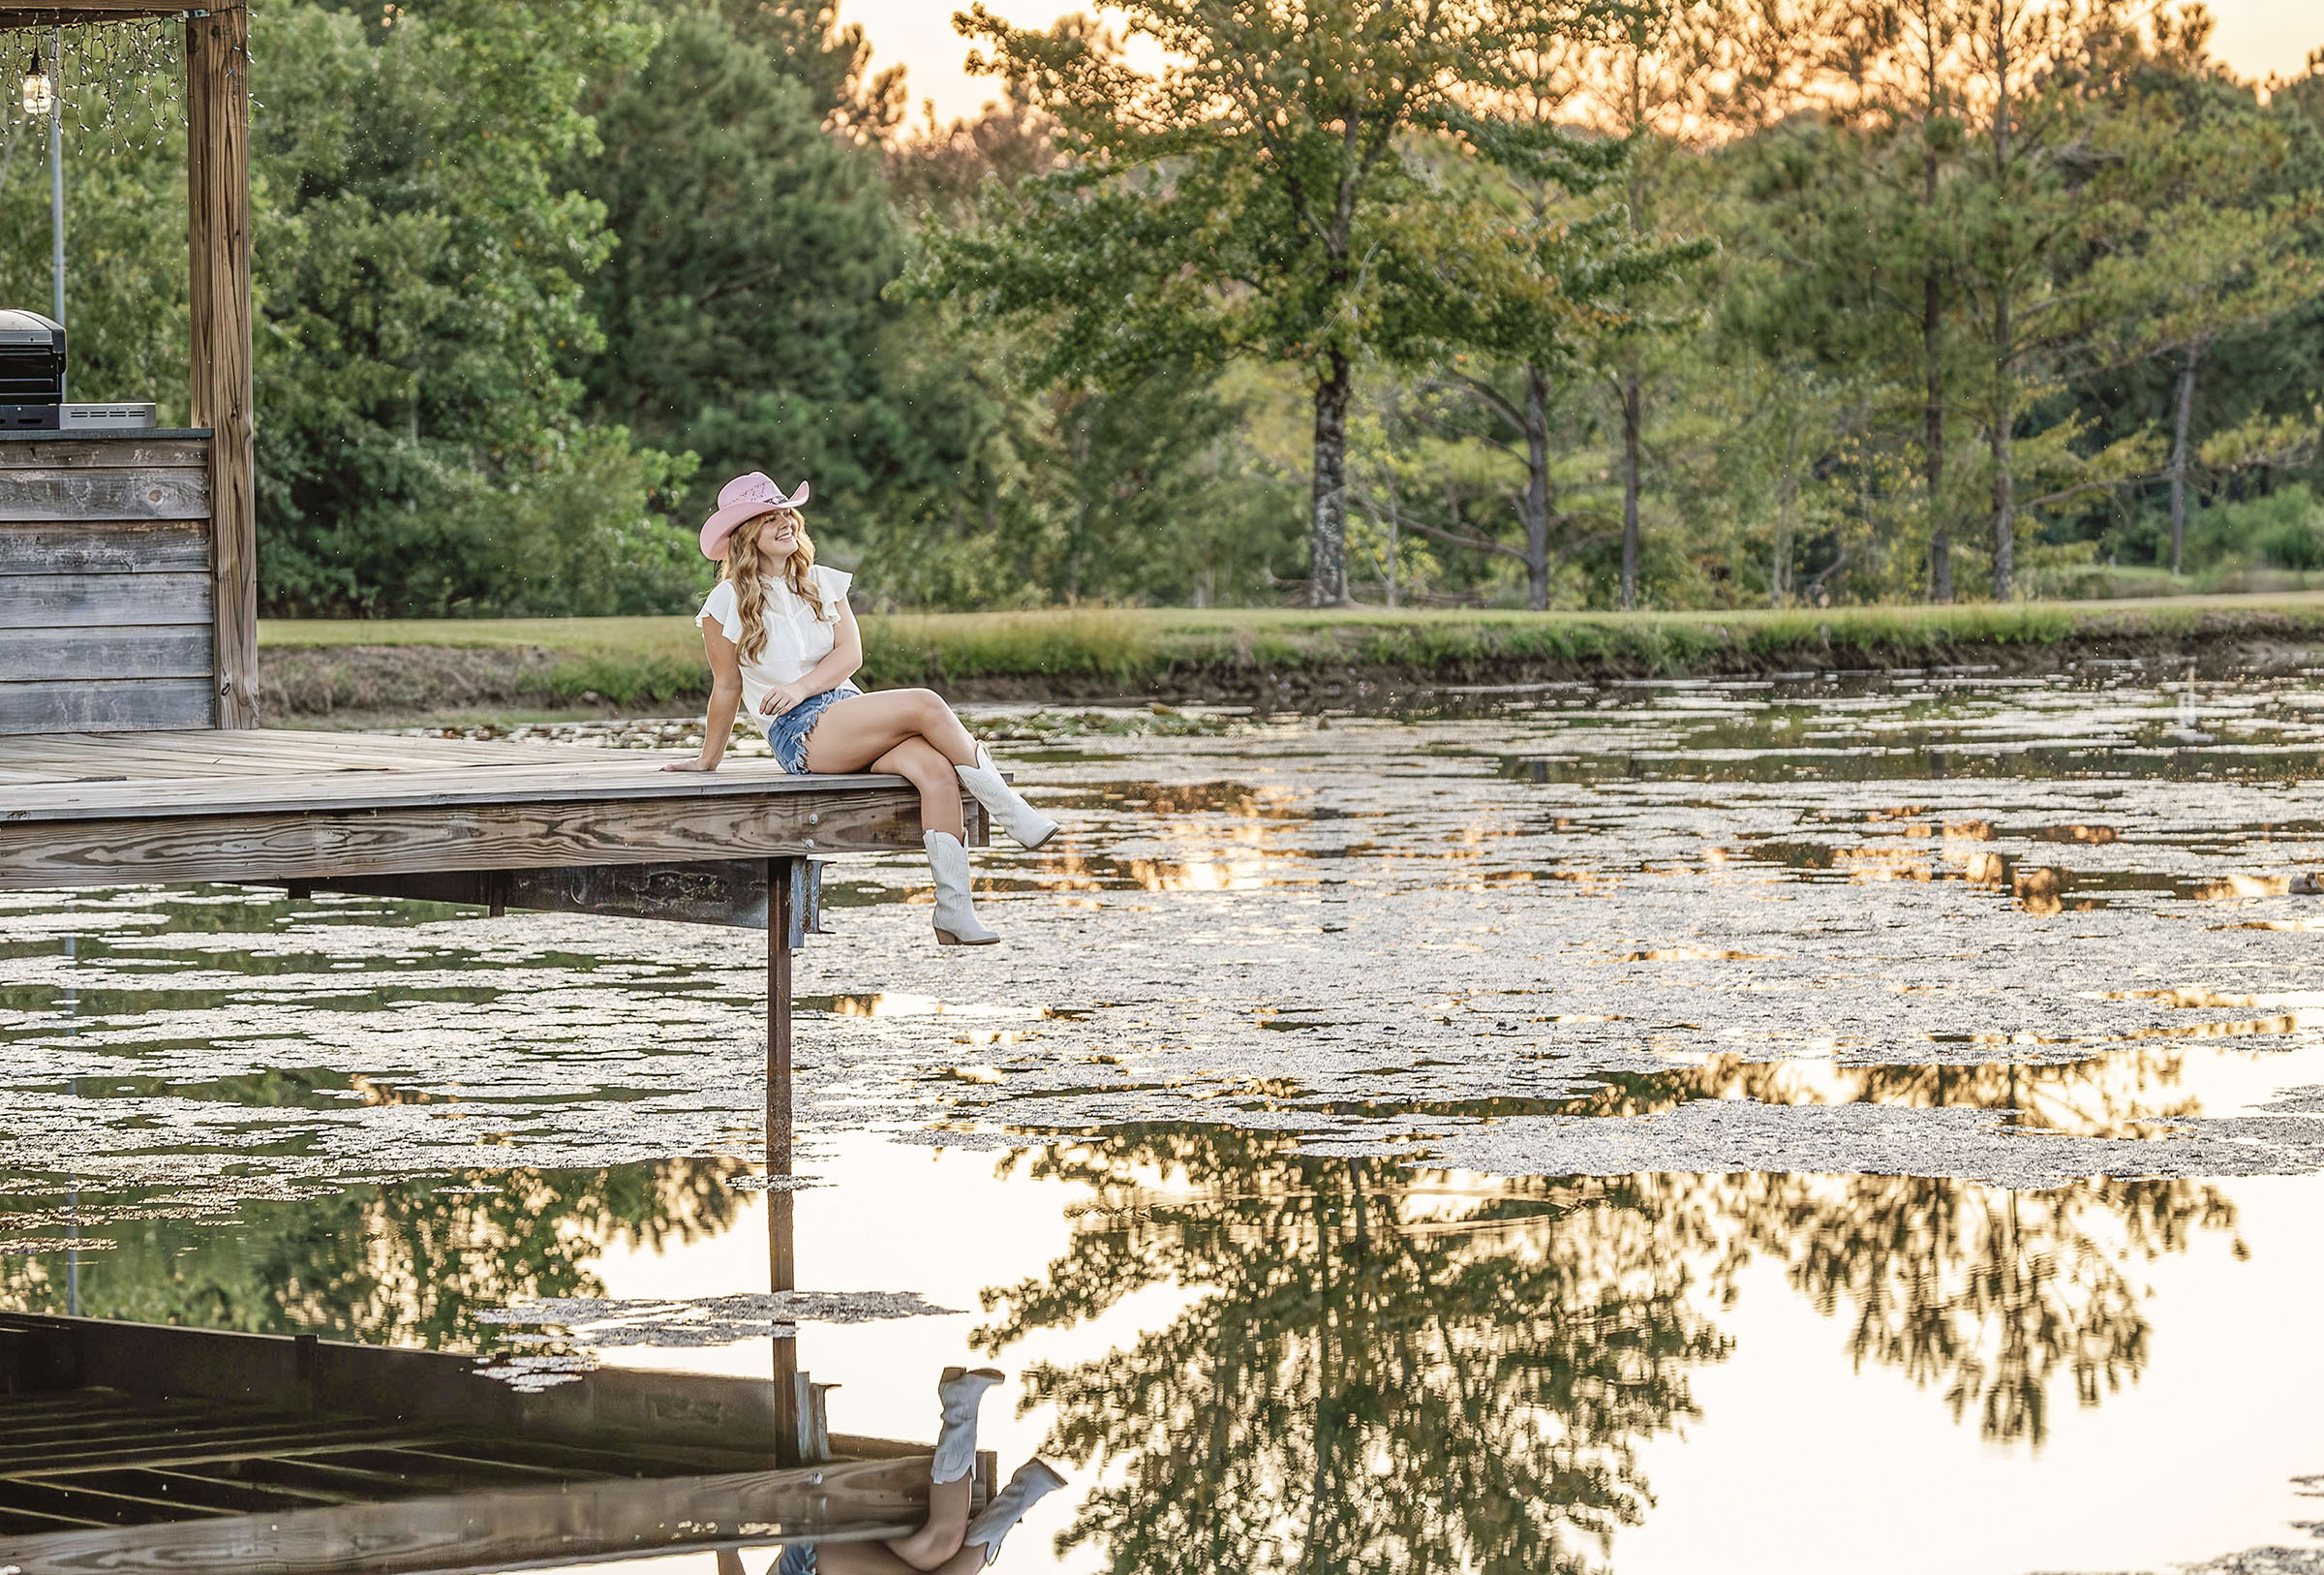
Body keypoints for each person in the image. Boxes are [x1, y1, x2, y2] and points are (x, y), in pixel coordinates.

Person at [664, 473, 1058, 946]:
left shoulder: (821, 582)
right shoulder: (724, 602)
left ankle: (954, 912)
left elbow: (850, 657)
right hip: (799, 730)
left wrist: (805, 684)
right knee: (926, 703)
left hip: (847, 710)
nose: (785, 522)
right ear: (746, 534)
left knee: (935, 770)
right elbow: (726, 686)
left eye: (787, 512)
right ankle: (1012, 812)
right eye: (770, 517)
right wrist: (709, 760)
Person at [719, 1366, 1068, 1574]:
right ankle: (960, 1405)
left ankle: (1018, 1495)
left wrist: (725, 1540)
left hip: (811, 1566)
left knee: (942, 1551)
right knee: (942, 1543)